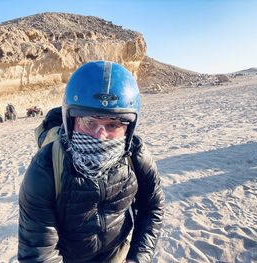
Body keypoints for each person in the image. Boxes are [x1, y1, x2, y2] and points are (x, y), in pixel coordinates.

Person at [18, 61, 164, 263]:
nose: (101, 136)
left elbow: (152, 207)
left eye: (113, 124)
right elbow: (38, 251)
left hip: (118, 255)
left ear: (128, 128)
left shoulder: (135, 156)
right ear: (71, 122)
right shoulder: (46, 168)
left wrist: (138, 258)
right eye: (89, 122)